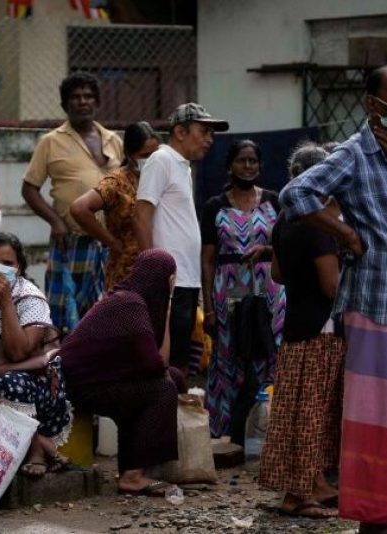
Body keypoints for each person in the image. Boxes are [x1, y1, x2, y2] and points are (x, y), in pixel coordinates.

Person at [279, 66, 387, 531]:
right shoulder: (355, 153)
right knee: (369, 416)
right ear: (372, 103)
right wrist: (346, 232)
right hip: (371, 304)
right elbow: (296, 194)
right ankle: (372, 513)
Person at [260, 142, 342, 519]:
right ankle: (300, 494)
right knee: (313, 413)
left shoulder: (284, 222)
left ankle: (315, 486)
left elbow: (277, 274)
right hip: (320, 330)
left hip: (295, 326)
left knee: (294, 411)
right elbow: (331, 287)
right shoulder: (320, 226)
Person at [59, 249, 179, 496]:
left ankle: (132, 467)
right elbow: (159, 363)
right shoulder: (129, 303)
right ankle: (133, 475)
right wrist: (167, 310)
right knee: (164, 387)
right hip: (75, 387)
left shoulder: (130, 299)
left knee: (172, 379)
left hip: (92, 381)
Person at [0, 233, 72, 477]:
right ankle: (41, 443)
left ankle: (35, 453)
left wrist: (6, 302)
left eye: (7, 263)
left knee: (11, 383)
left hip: (31, 381)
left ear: (19, 267)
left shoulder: (31, 296)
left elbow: (18, 352)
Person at [22, 72, 124, 333]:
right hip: (71, 241)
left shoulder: (114, 140)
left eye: (88, 96)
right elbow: (29, 189)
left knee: (107, 310)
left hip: (109, 241)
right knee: (63, 311)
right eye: (75, 97)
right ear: (65, 104)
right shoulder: (51, 141)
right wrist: (55, 221)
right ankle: (62, 366)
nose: (82, 102)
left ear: (97, 102)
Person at [134, 103, 228, 373]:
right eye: (204, 131)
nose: (210, 139)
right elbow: (141, 215)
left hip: (185, 279)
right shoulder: (161, 160)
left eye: (211, 133)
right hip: (168, 281)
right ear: (180, 131)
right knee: (165, 362)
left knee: (179, 362)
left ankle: (175, 412)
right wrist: (151, 273)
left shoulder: (183, 166)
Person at [200, 140, 285, 438]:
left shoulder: (275, 201)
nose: (247, 166)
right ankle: (222, 433)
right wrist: (208, 306)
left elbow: (289, 246)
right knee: (227, 358)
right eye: (241, 160)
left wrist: (267, 249)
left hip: (270, 289)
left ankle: (271, 431)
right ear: (229, 166)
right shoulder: (215, 205)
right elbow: (208, 259)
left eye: (252, 161)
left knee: (270, 353)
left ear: (260, 166)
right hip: (228, 290)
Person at [70, 122, 161, 287]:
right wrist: (111, 242)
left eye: (156, 155)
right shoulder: (117, 183)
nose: (152, 160)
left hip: (160, 267)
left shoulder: (161, 178)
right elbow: (79, 208)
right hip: (128, 269)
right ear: (130, 154)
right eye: (145, 155)